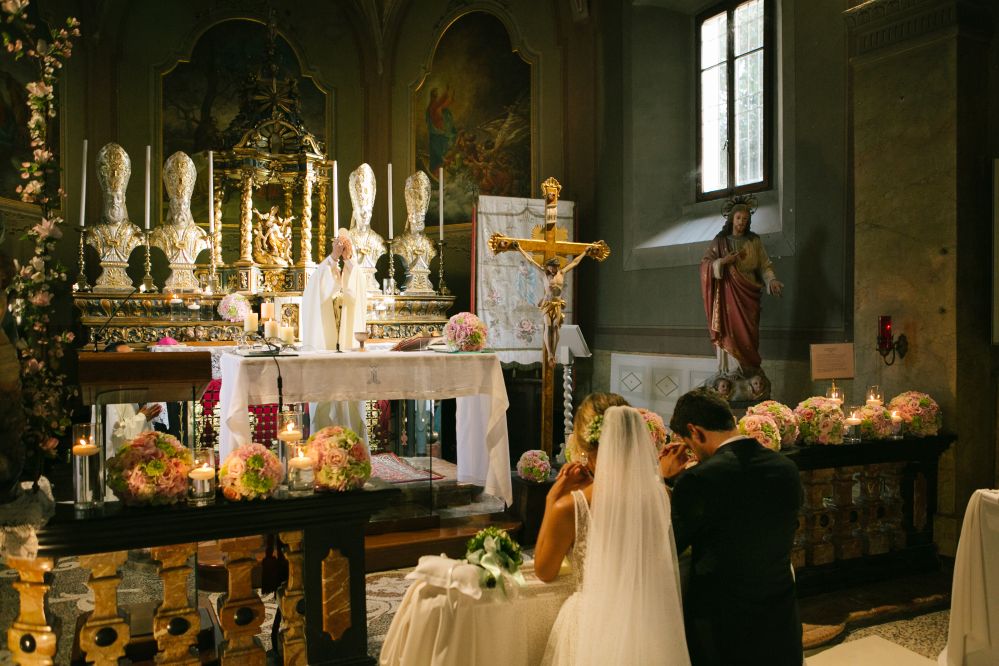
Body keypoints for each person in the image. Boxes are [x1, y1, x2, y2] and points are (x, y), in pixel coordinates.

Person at [536, 393, 689, 666]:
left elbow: (545, 571)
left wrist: (551, 500)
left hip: (591, 625)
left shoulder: (572, 506)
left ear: (583, 447)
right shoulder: (661, 495)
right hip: (647, 623)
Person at [660, 387, 803, 666]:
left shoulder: (698, 481)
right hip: (779, 612)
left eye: (689, 445)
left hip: (721, 621)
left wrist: (664, 481)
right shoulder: (786, 467)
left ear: (695, 431)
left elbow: (669, 545)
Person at [701, 199, 783, 376]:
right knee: (730, 331)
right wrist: (723, 261)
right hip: (728, 294)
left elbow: (764, 265)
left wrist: (772, 281)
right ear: (732, 219)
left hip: (749, 294)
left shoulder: (754, 241)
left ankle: (750, 371)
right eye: (738, 218)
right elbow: (705, 264)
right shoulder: (720, 241)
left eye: (745, 219)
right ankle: (731, 372)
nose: (741, 222)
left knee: (749, 336)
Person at [103, 342, 165, 454]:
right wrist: (142, 418)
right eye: (128, 357)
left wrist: (145, 419)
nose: (134, 360)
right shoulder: (108, 393)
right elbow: (115, 436)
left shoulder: (128, 387)